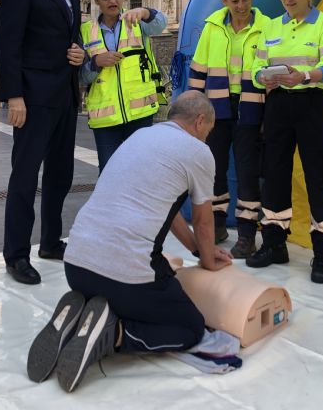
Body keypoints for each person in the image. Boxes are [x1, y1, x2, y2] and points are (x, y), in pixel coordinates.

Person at [26, 90, 233, 392]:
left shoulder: (140, 137)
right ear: (200, 121)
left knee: (140, 285)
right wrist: (208, 260)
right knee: (190, 328)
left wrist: (193, 249)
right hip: (123, 277)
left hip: (76, 267)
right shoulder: (198, 152)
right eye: (208, 132)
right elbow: (203, 220)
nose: (207, 139)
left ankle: (82, 316)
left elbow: (167, 207)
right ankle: (114, 334)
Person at [0, 0, 85, 286]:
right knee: (25, 175)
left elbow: (71, 39)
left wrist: (78, 53)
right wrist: (14, 95)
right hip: (31, 99)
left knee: (61, 174)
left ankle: (50, 241)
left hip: (64, 97)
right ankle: (16, 253)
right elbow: (7, 42)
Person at [247, 0, 323, 284]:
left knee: (319, 176)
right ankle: (275, 244)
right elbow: (257, 65)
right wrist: (264, 77)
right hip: (278, 105)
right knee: (273, 172)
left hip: (313, 103)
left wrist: (305, 75)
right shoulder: (272, 28)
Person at [188, 0, 270, 258]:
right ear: (224, 1)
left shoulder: (268, 28)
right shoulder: (212, 28)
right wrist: (196, 114)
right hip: (216, 110)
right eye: (234, 1)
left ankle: (247, 235)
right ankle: (217, 227)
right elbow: (197, 73)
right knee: (214, 171)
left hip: (250, 108)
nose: (241, 6)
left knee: (248, 173)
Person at [80, 0, 167, 171]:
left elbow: (160, 24)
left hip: (140, 113)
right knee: (109, 172)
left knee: (140, 171)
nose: (113, 0)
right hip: (105, 119)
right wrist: (96, 63)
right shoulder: (85, 31)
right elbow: (83, 76)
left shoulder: (136, 20)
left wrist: (146, 11)